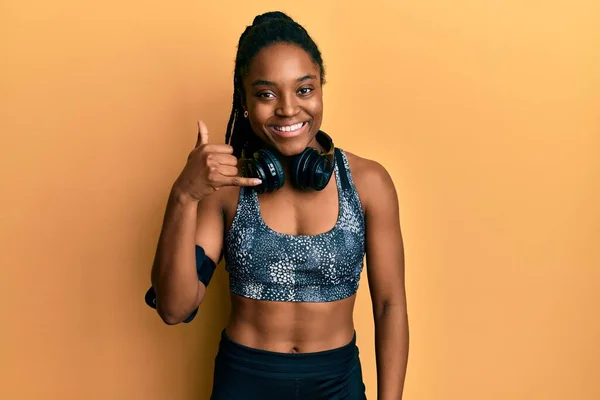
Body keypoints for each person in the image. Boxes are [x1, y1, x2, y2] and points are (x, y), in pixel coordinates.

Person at [148, 11, 409, 400]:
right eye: (267, 93)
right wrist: (183, 196)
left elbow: (389, 306)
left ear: (321, 87)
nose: (288, 108)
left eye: (304, 89)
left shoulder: (370, 184)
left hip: (337, 384)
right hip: (245, 382)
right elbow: (174, 308)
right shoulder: (226, 188)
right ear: (246, 101)